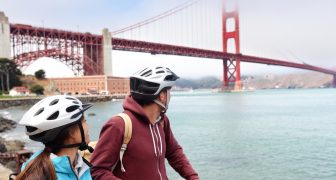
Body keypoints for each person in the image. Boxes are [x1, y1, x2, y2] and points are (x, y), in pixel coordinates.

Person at [90, 66, 199, 180]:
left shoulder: (161, 121)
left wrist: (193, 177)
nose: (169, 96)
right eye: (168, 91)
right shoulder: (118, 125)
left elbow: (173, 152)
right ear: (162, 95)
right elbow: (97, 171)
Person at [16, 95, 94, 180]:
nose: (88, 126)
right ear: (72, 133)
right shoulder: (41, 175)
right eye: (84, 121)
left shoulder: (79, 165)